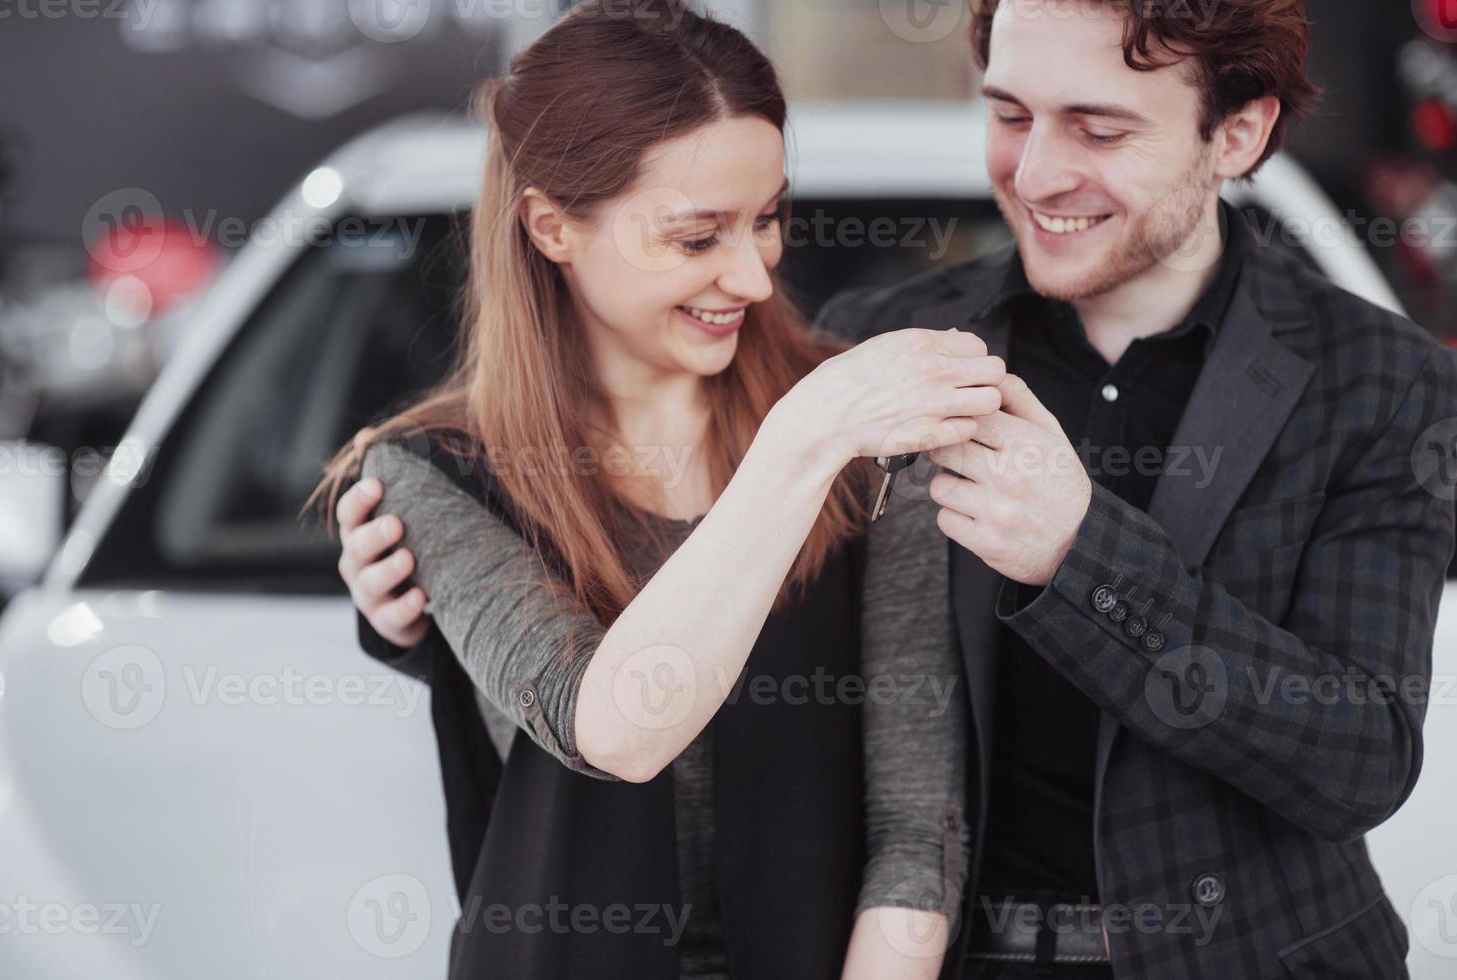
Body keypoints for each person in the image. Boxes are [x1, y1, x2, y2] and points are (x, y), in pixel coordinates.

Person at [309, 1, 994, 976]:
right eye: (694, 236)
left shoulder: (871, 435)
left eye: (767, 219)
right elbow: (613, 723)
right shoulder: (431, 472)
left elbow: (915, 831)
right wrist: (804, 434)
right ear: (551, 225)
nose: (753, 278)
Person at [810, 0, 1456, 977]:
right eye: (1011, 115)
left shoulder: (1383, 379)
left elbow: (1358, 758)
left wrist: (1078, 554)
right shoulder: (875, 340)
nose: (1031, 176)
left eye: (1097, 128)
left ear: (1237, 133)